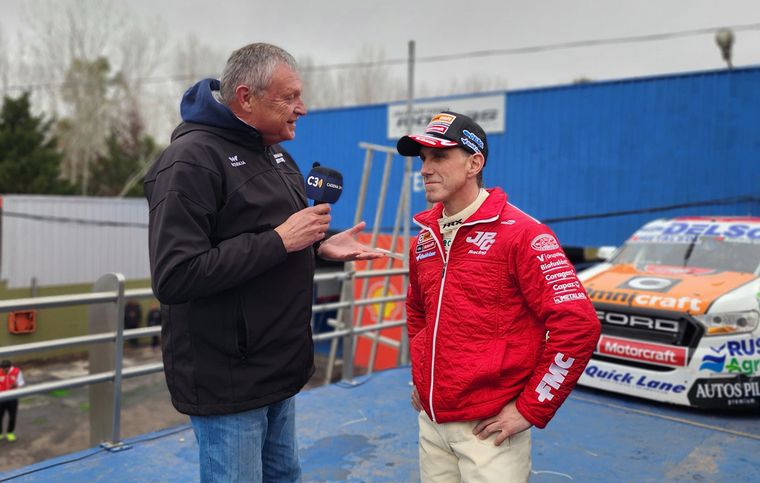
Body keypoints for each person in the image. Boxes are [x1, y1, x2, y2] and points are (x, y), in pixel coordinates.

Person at [144, 42, 382, 482]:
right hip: (229, 379)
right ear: (246, 97)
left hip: (279, 369)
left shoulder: (277, 155)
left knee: (283, 476)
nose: (303, 109)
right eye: (289, 97)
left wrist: (319, 246)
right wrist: (280, 241)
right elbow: (176, 275)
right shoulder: (190, 161)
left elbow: (270, 239)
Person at [397, 111, 601, 482]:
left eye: (439, 157)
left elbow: (579, 326)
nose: (425, 169)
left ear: (475, 163)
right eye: (422, 159)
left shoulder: (523, 234)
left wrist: (531, 408)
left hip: (490, 430)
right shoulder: (424, 238)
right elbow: (418, 312)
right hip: (432, 421)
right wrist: (422, 379)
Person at [0, 359, 25, 443]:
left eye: (5, 370)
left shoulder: (17, 372)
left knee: (12, 416)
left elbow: (21, 383)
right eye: (2, 369)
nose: (3, 371)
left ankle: (10, 433)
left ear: (9, 368)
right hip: (1, 398)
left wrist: (17, 385)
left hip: (12, 398)